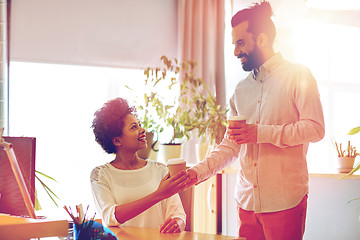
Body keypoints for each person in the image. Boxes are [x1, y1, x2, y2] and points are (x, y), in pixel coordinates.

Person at [186, 1, 325, 239]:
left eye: (241, 42)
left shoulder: (298, 75)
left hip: (285, 202)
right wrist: (196, 173)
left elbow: (315, 128)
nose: (235, 52)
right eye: (234, 44)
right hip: (246, 204)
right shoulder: (240, 90)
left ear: (261, 39)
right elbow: (231, 144)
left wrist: (260, 133)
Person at [90, 97, 187, 233]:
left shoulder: (160, 170)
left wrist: (178, 223)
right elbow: (111, 216)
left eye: (139, 125)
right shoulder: (101, 175)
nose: (142, 130)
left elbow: (178, 214)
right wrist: (158, 195)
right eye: (134, 127)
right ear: (117, 140)